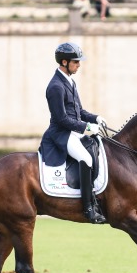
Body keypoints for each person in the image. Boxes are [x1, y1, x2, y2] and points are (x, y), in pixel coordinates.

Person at [40, 42, 106, 224]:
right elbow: (61, 119)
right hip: (61, 133)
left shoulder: (69, 81)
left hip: (72, 130)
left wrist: (96, 118)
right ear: (64, 62)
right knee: (86, 158)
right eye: (76, 62)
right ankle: (88, 207)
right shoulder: (55, 87)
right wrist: (86, 128)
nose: (79, 65)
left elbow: (79, 111)